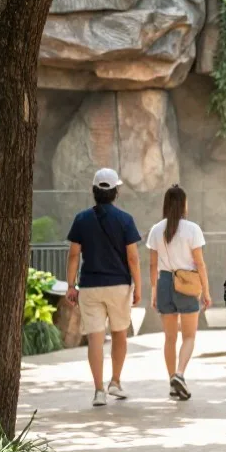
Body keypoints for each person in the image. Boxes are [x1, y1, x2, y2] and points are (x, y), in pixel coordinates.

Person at [66, 169, 142, 407]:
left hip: (89, 286)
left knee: (95, 338)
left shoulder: (81, 219)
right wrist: (138, 286)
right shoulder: (125, 219)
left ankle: (98, 391)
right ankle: (115, 383)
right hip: (119, 285)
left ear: (94, 191)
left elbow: (73, 255)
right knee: (120, 333)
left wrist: (71, 285)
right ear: (116, 192)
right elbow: (133, 258)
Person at [147, 185, 210, 401]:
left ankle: (172, 380)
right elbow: (200, 264)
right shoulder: (192, 229)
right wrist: (206, 291)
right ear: (184, 204)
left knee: (170, 338)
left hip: (164, 282)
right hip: (187, 283)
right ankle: (180, 374)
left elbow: (152, 265)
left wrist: (153, 292)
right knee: (190, 336)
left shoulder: (156, 230)